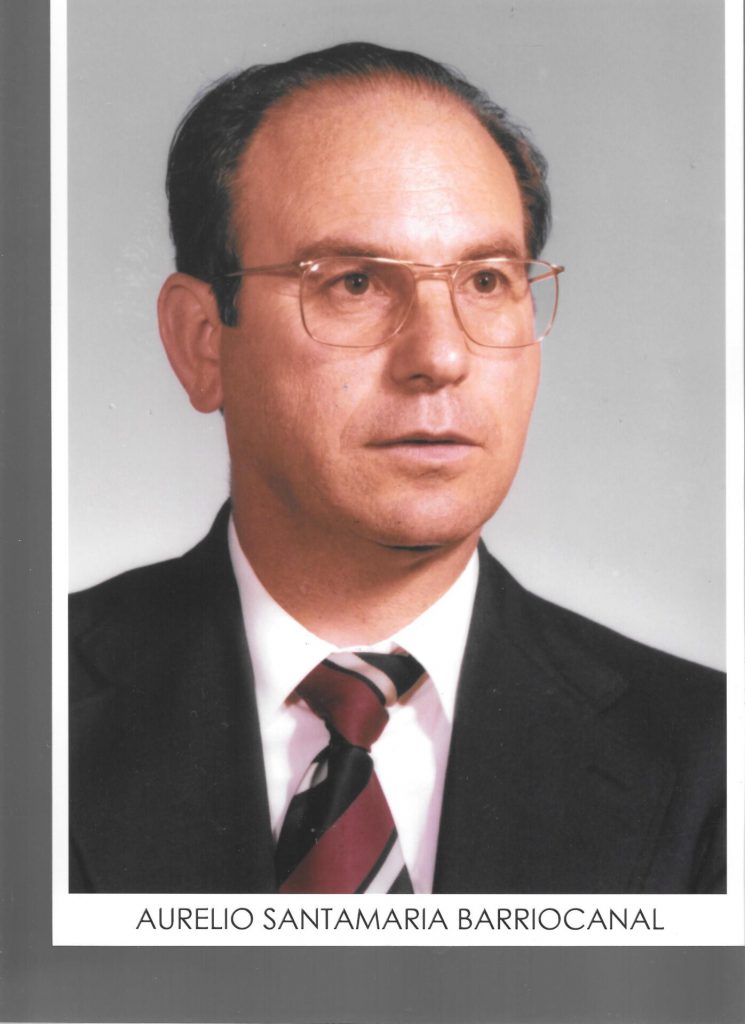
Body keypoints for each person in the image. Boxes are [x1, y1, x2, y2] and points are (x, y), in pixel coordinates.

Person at [68, 41, 725, 894]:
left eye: (485, 280)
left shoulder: (713, 761)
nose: (441, 357)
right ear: (202, 344)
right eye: (353, 282)